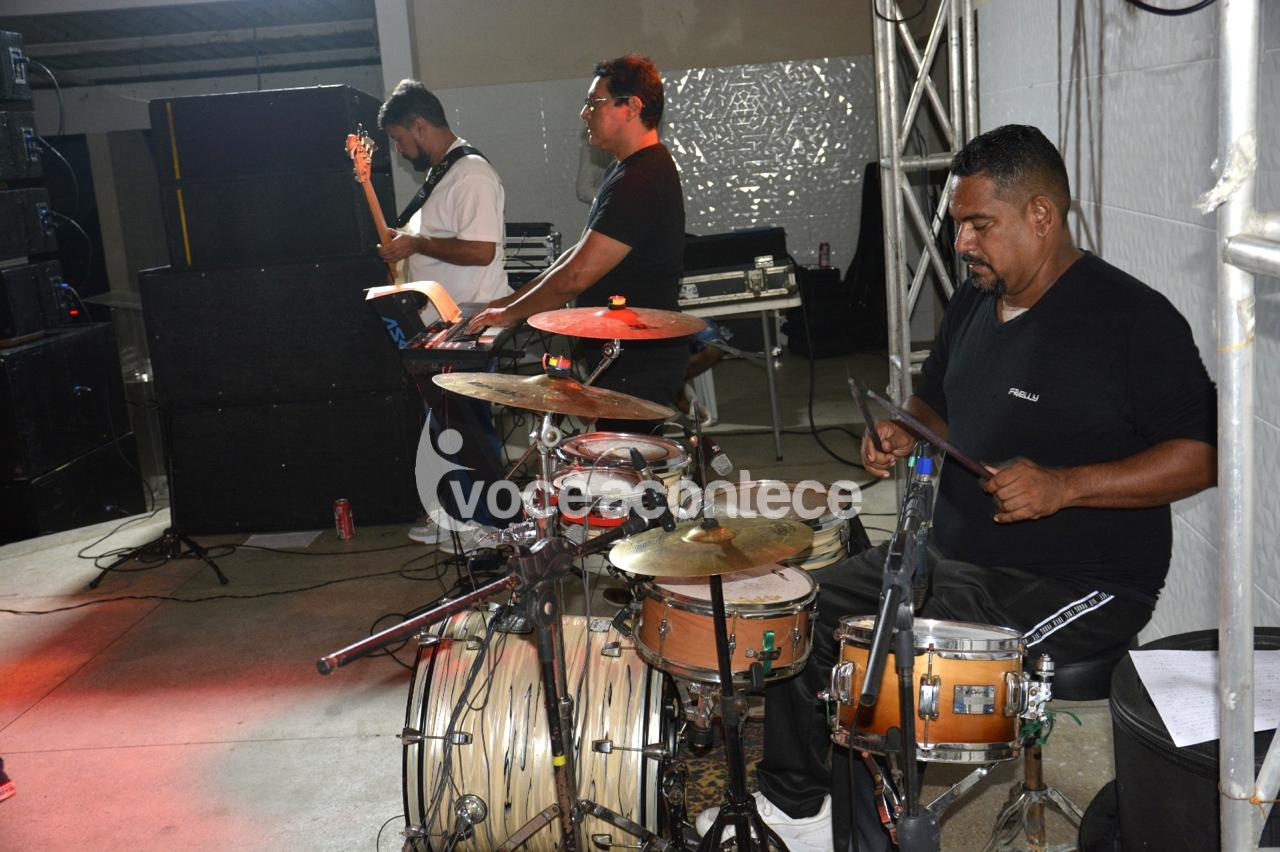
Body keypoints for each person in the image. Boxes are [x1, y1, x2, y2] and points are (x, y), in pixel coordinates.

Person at [696, 124, 1218, 850]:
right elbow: (934, 398)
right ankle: (798, 804)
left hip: (1076, 581)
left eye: (979, 224)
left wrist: (1065, 487)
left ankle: (866, 828)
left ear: (1041, 215)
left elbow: (1201, 457)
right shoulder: (977, 298)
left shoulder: (1133, 321)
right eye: (956, 226)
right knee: (803, 611)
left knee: (885, 670)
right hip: (949, 556)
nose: (961, 243)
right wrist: (905, 430)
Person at [468, 54, 688, 433]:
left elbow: (576, 277)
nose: (584, 112)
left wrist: (511, 315)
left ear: (632, 107)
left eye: (594, 102)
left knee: (620, 466)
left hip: (639, 361)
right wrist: (507, 303)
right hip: (622, 356)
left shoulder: (642, 178)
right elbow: (576, 256)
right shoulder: (624, 170)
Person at [376, 80, 509, 547]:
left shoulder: (470, 174)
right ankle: (460, 519)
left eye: (399, 139)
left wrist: (416, 243)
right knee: (449, 429)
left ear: (419, 125)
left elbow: (480, 250)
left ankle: (491, 526)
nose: (398, 150)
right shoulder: (443, 174)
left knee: (469, 429)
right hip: (445, 325)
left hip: (469, 323)